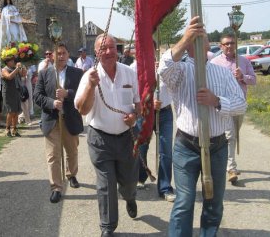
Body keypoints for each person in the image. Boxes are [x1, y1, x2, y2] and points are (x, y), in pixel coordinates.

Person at [158, 16, 247, 237]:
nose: (197, 41)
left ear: (209, 44)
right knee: (184, 202)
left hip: (217, 147)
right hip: (186, 146)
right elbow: (164, 67)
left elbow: (240, 105)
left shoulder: (222, 72)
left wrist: (216, 101)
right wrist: (185, 36)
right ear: (187, 46)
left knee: (214, 203)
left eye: (202, 38)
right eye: (192, 39)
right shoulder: (181, 71)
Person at [74, 34, 140, 237]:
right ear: (97, 52)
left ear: (117, 50)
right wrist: (91, 87)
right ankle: (107, 228)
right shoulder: (89, 76)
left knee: (129, 181)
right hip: (100, 139)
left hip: (127, 137)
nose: (109, 52)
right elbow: (82, 110)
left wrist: (134, 116)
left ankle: (129, 196)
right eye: (104, 48)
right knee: (106, 184)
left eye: (112, 47)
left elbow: (138, 104)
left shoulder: (129, 73)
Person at [34, 42, 84, 203]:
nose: (61, 56)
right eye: (58, 53)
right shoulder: (44, 74)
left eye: (64, 53)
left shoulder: (77, 73)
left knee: (72, 152)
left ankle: (71, 175)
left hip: (70, 118)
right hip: (51, 120)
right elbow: (37, 96)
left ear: (68, 55)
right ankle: (56, 187)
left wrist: (67, 94)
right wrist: (51, 103)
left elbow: (83, 93)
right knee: (53, 156)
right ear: (53, 56)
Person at [211, 33, 256, 182]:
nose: (230, 46)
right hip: (222, 103)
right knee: (228, 135)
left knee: (232, 135)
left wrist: (243, 76)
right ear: (221, 46)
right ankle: (231, 168)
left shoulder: (243, 61)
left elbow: (253, 80)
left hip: (239, 104)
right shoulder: (215, 62)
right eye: (226, 44)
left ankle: (224, 162)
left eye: (232, 43)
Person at [130, 59, 176, 202]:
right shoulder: (133, 68)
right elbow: (130, 95)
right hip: (144, 112)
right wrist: (147, 102)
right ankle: (140, 176)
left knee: (166, 150)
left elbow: (174, 86)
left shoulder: (165, 67)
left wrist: (161, 73)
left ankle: (165, 187)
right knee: (141, 147)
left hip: (165, 113)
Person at [1, 57, 23, 137]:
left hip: (16, 92)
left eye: (13, 60)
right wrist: (17, 69)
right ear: (7, 62)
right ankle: (7, 129)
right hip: (8, 93)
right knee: (11, 111)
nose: (13, 62)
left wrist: (21, 68)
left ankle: (14, 129)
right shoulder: (4, 69)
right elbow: (9, 77)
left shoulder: (15, 68)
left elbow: (23, 75)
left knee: (16, 111)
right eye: (12, 60)